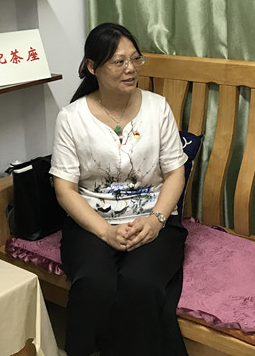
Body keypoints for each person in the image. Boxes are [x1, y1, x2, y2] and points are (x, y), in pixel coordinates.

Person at [50, 22, 189, 356]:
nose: (131, 69)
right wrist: (106, 232)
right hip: (92, 223)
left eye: (135, 59)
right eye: (119, 61)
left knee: (140, 283)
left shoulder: (158, 108)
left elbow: (175, 173)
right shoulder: (71, 118)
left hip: (154, 218)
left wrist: (156, 221)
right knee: (94, 283)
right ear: (92, 67)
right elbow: (64, 188)